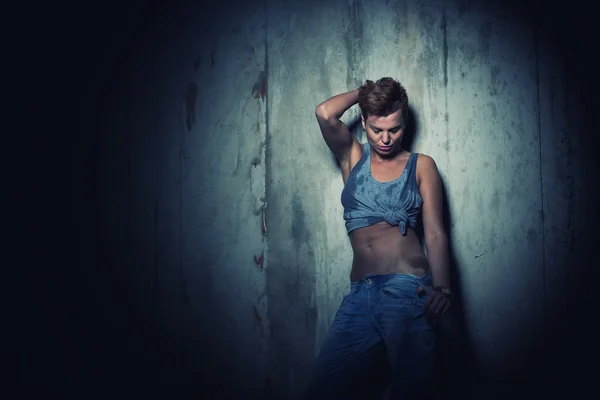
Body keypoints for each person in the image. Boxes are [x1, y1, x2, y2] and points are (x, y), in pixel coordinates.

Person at [303, 77, 453, 399]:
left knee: (415, 391)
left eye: (394, 129)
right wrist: (366, 94)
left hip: (405, 291)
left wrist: (442, 288)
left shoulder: (420, 166)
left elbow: (436, 233)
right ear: (365, 122)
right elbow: (324, 113)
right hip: (360, 295)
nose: (385, 139)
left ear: (405, 124)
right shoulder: (352, 158)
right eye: (376, 129)